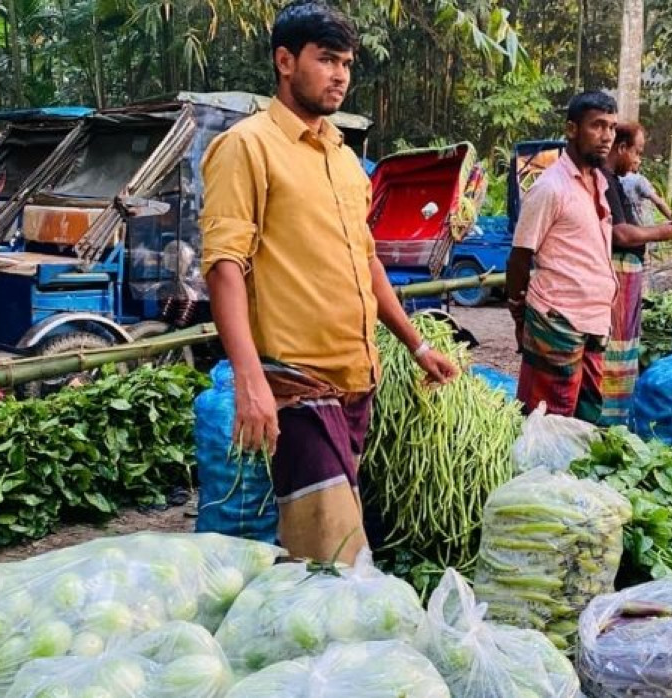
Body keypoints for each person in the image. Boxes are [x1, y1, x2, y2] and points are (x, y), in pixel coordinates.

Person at [199, 1, 458, 563]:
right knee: (334, 557)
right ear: (285, 61)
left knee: (317, 551)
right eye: (326, 60)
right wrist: (249, 378)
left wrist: (417, 345)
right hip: (298, 383)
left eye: (346, 62)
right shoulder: (247, 147)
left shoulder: (344, 161)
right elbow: (224, 266)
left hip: (356, 379)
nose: (340, 75)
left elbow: (366, 263)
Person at [506, 91, 619, 424]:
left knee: (585, 419)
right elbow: (520, 256)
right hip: (557, 320)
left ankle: (573, 478)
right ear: (572, 129)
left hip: (594, 322)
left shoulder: (598, 181)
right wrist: (518, 313)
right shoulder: (550, 187)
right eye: (597, 126)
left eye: (611, 127)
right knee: (549, 421)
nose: (607, 137)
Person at [601, 123, 672, 425]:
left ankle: (618, 412)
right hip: (617, 272)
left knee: (624, 347)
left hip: (628, 272)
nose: (638, 161)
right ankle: (610, 417)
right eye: (636, 152)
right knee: (615, 347)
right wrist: (661, 232)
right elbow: (620, 235)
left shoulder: (616, 179)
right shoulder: (605, 180)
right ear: (621, 148)